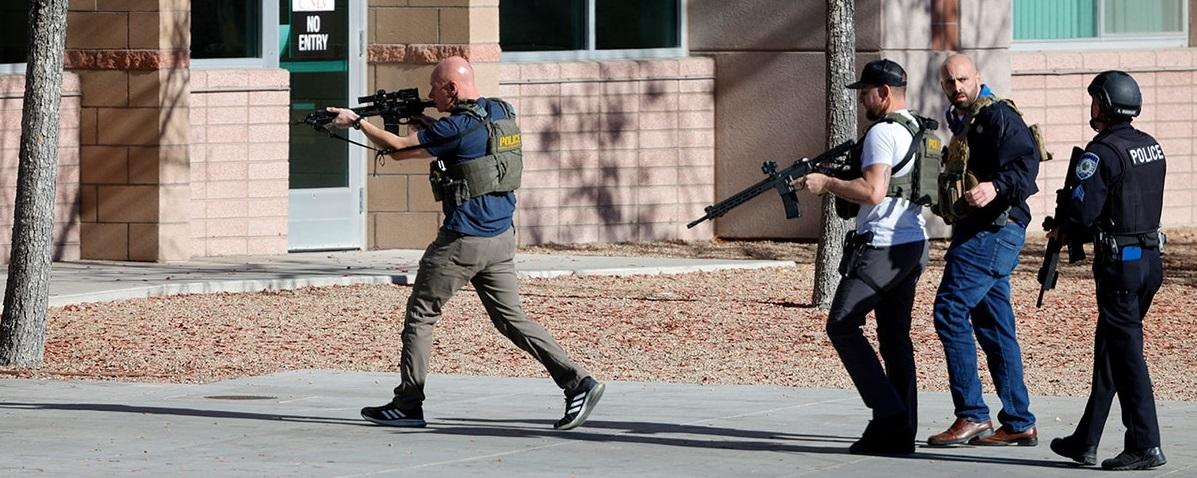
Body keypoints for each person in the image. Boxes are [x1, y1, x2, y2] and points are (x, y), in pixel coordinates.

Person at [324, 56, 604, 430]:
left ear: (451, 89)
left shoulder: (456, 125)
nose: (430, 95)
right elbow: (456, 143)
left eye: (434, 88)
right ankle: (578, 382)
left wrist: (357, 123)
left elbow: (398, 148)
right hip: (501, 237)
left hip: (464, 239)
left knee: (421, 314)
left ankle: (408, 404)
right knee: (511, 320)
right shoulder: (498, 111)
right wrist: (427, 125)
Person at [795, 59, 929, 455]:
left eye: (866, 92)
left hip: (883, 246)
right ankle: (899, 432)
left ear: (884, 93)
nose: (862, 100)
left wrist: (826, 183)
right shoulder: (918, 128)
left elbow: (872, 191)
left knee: (842, 324)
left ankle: (889, 414)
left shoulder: (883, 133)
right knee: (894, 338)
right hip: (913, 244)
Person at [1048, 70, 1167, 471]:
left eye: (1095, 99)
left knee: (1127, 354)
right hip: (1150, 260)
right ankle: (1086, 439)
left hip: (1121, 267)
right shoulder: (1150, 147)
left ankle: (1145, 443)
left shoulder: (1101, 153)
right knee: (1112, 351)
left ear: (1106, 104)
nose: (1092, 106)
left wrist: (1068, 219)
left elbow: (1083, 212)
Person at [926, 53, 1040, 447]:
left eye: (962, 79)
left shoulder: (997, 116)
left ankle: (972, 415)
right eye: (949, 82)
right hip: (980, 231)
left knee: (949, 309)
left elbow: (1026, 165)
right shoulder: (964, 119)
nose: (956, 87)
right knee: (994, 325)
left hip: (994, 231)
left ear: (977, 77)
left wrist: (995, 186)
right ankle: (1019, 421)